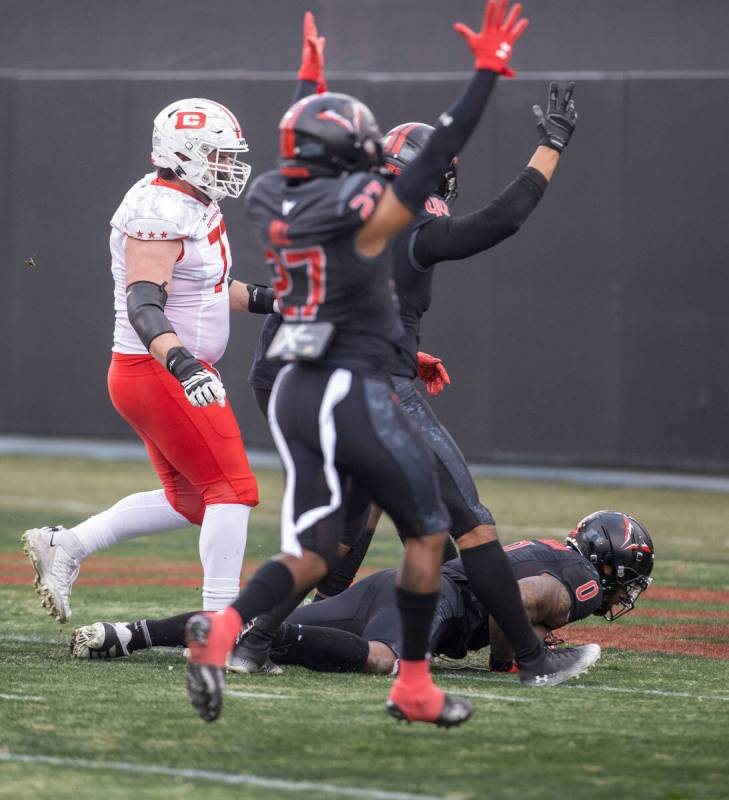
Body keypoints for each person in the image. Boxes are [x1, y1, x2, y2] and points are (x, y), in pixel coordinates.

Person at [181, 0, 601, 729]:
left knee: (328, 550)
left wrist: (309, 82)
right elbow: (491, 212)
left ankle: (240, 636)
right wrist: (521, 115)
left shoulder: (278, 199)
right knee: (458, 527)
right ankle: (526, 660)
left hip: (296, 383)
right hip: (366, 385)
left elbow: (303, 163)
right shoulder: (392, 217)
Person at [22, 98, 276, 623]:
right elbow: (145, 304)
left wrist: (272, 300)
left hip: (158, 371)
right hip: (157, 370)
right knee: (232, 490)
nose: (227, 166)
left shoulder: (190, 198)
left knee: (191, 501)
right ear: (182, 153)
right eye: (216, 154)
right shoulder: (157, 211)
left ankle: (66, 544)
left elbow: (210, 286)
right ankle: (219, 624)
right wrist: (183, 365)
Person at [70, 511, 655, 676]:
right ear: (612, 567)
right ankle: (276, 638)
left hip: (395, 584)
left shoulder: (551, 546)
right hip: (433, 603)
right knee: (384, 661)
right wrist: (510, 655)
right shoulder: (581, 581)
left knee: (240, 621)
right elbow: (523, 598)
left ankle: (130, 634)